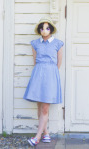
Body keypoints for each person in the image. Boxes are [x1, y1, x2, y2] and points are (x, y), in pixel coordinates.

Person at [23, 17, 64, 146]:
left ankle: (37, 137)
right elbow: (35, 61)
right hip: (38, 74)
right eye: (42, 28)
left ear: (51, 29)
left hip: (51, 75)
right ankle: (46, 134)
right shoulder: (35, 43)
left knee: (45, 108)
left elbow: (58, 63)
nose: (44, 30)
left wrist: (50, 74)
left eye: (47, 28)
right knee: (39, 106)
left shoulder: (58, 43)